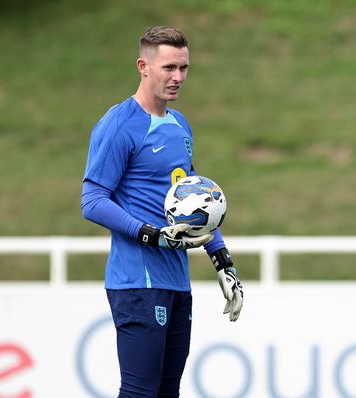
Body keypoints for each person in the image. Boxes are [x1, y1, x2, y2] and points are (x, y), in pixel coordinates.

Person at [81, 26, 243, 398]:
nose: (178, 78)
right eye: (169, 67)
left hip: (176, 280)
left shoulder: (180, 125)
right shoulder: (120, 124)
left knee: (168, 392)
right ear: (143, 66)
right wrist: (150, 234)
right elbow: (92, 200)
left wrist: (223, 261)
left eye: (184, 68)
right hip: (137, 282)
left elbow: (195, 202)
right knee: (140, 392)